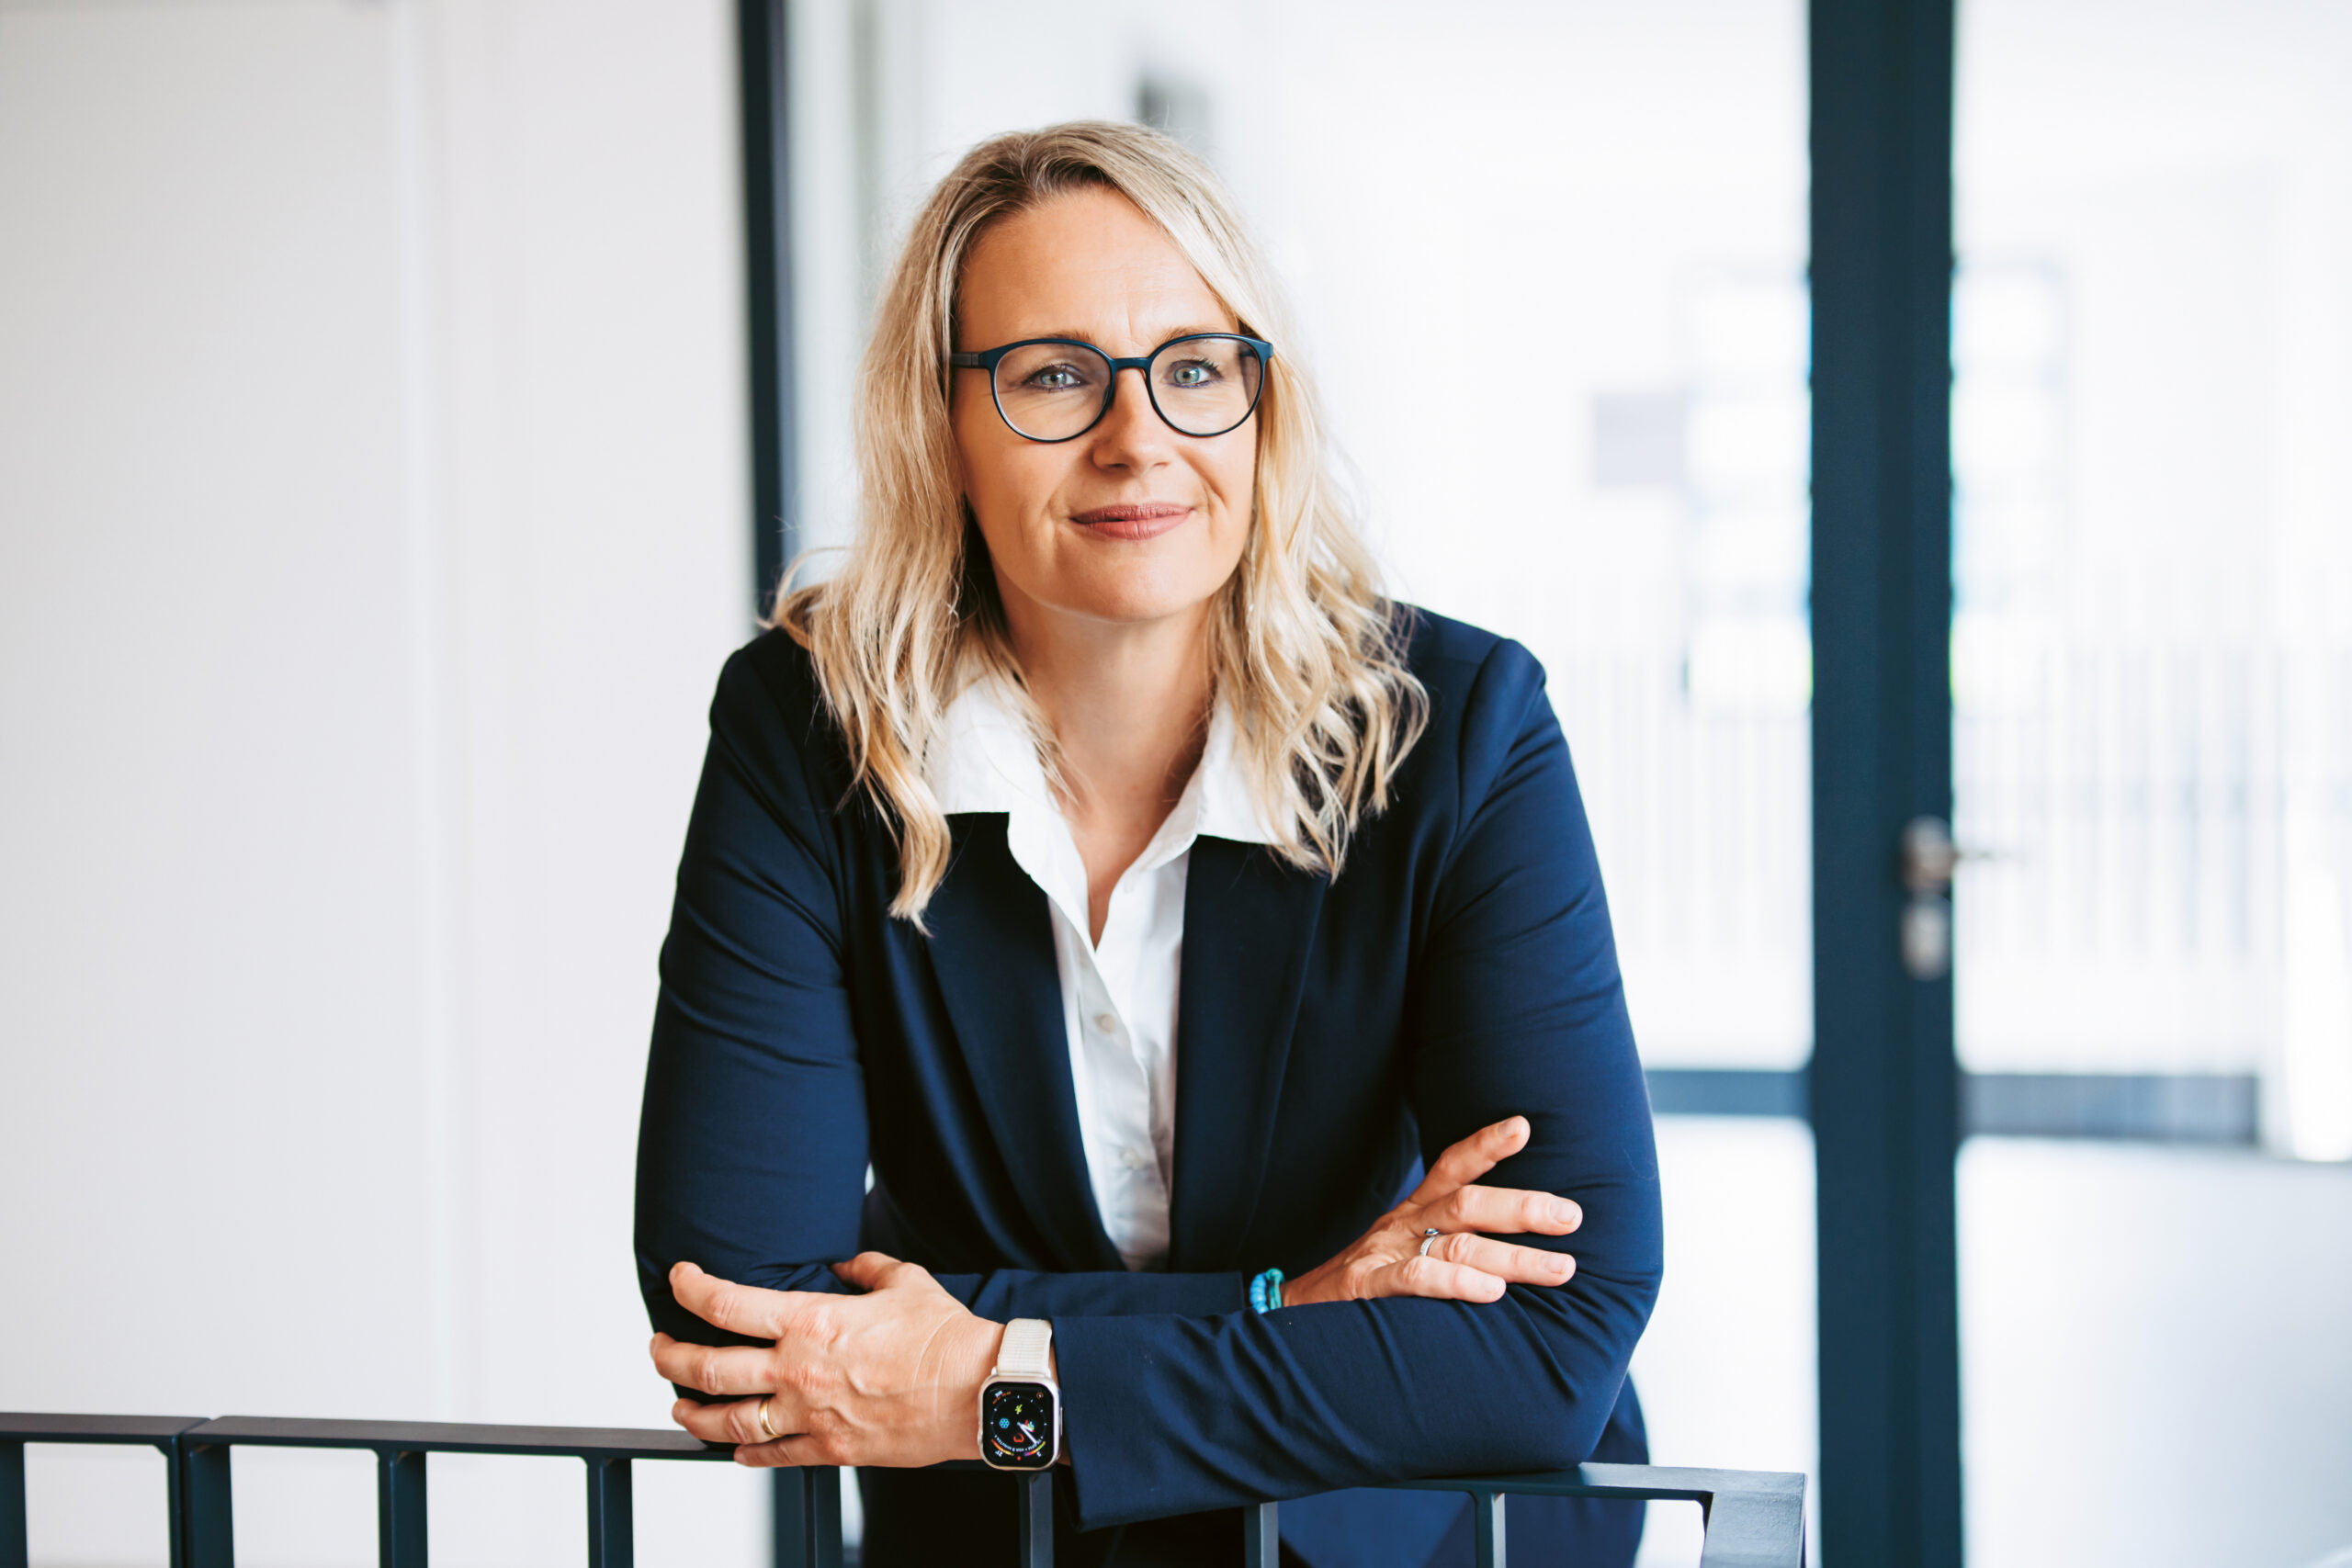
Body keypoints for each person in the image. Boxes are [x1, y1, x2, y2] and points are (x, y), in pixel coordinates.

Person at [633, 120, 1661, 1567]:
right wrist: (1286, 1311)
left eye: (1195, 369)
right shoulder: (808, 733)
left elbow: (1559, 1337)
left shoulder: (1460, 730)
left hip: (1401, 1539)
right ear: (944, 425)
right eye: (1054, 377)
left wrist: (990, 1375)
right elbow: (731, 1315)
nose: (1140, 440)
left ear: (1259, 405)